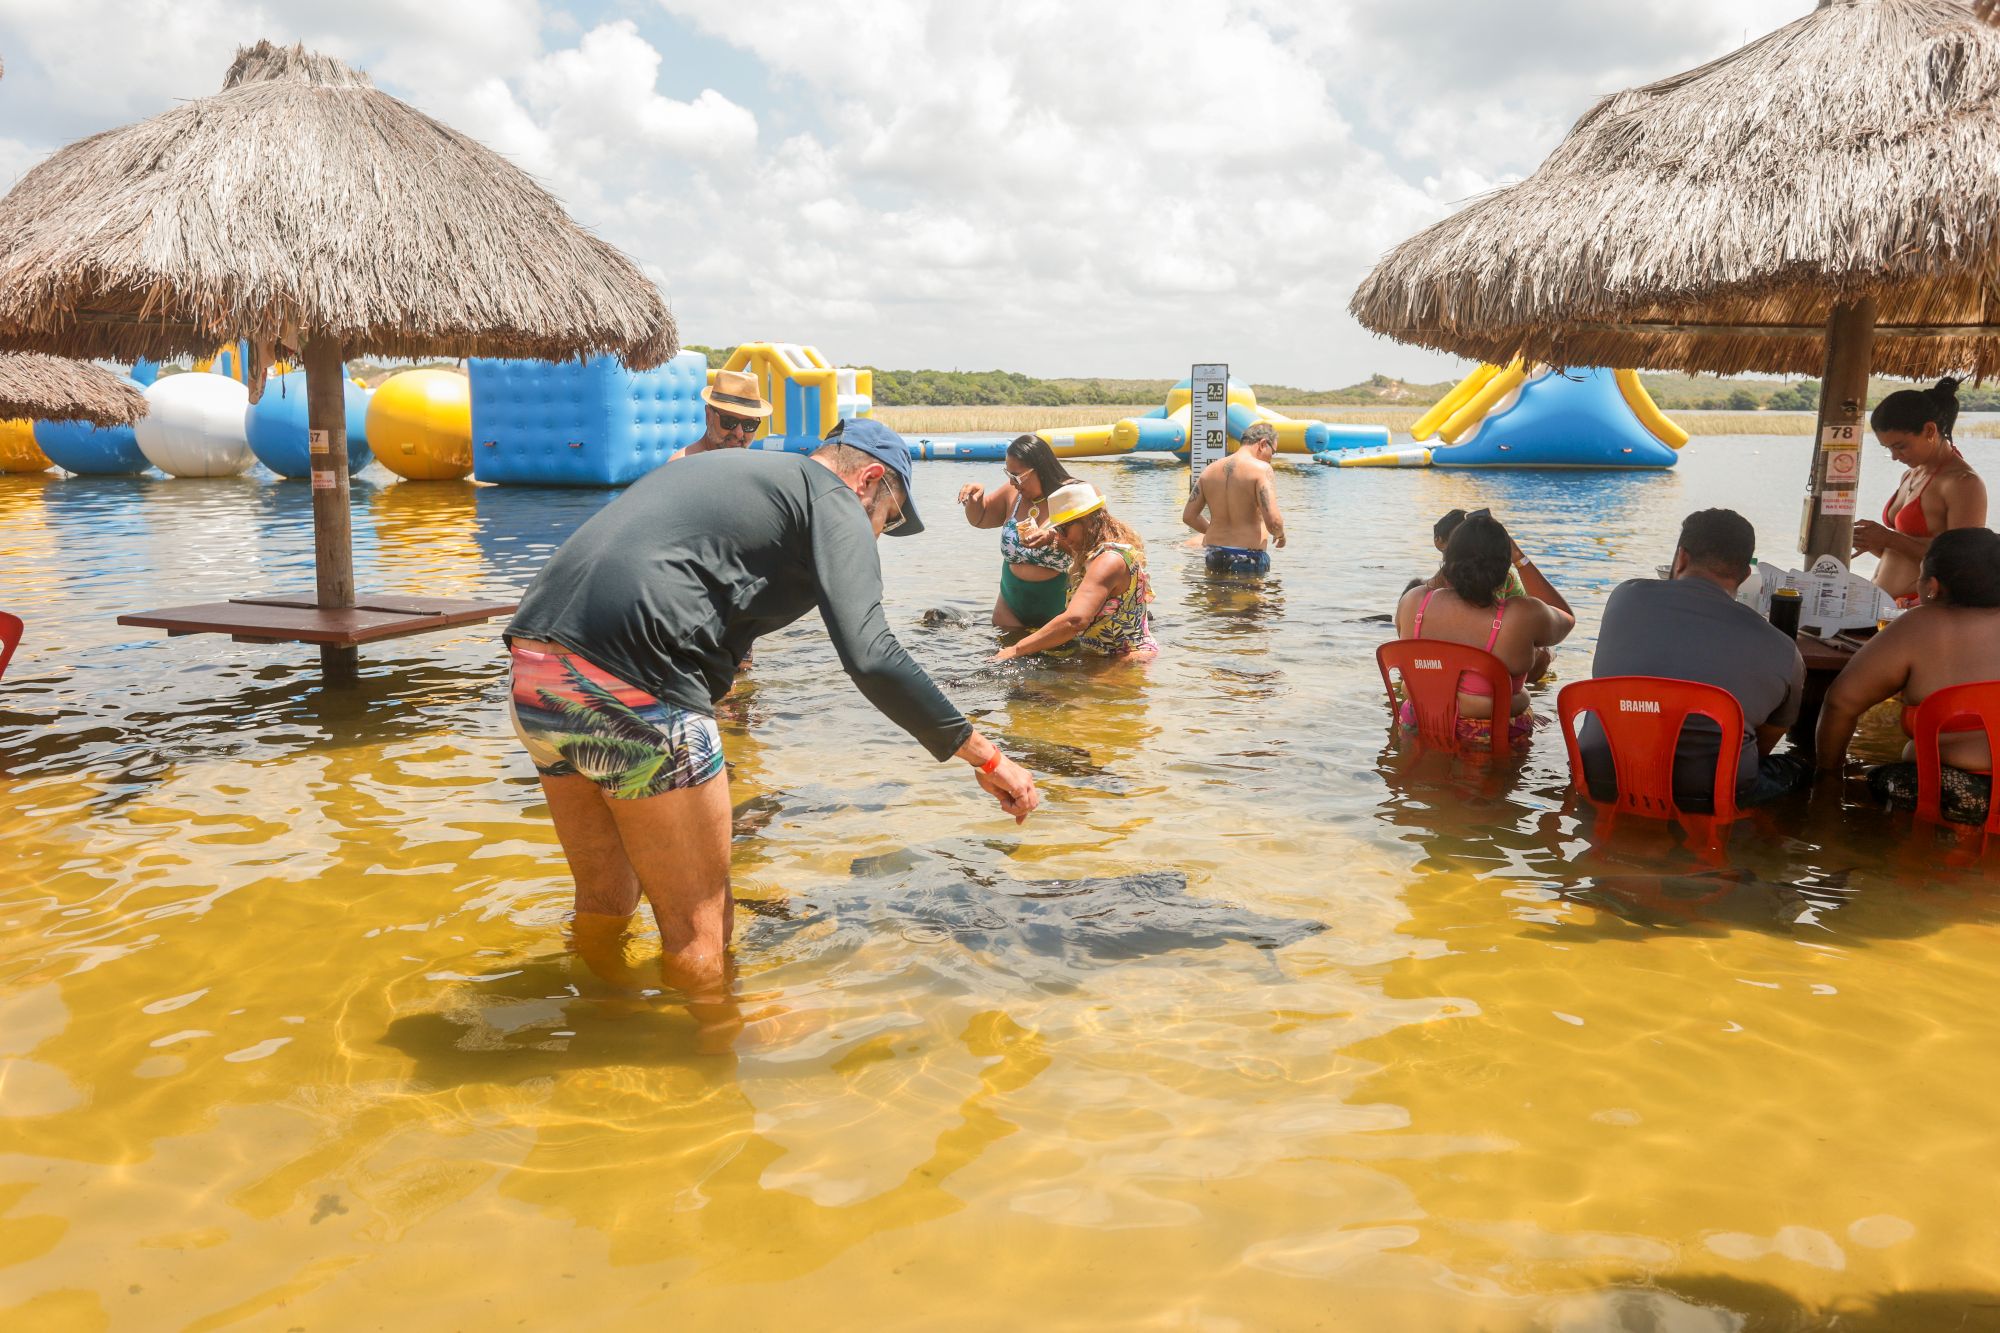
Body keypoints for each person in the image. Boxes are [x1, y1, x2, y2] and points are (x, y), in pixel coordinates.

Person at [504, 417, 1041, 1001]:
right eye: (888, 519)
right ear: (870, 480)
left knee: (604, 900)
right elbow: (872, 655)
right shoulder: (833, 497)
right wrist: (988, 759)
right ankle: (719, 1049)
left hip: (535, 671)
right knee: (701, 928)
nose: (879, 534)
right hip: (636, 685)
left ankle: (601, 1023)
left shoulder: (730, 470)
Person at [1580, 509, 1810, 811]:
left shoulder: (1624, 597)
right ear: (1745, 576)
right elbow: (1768, 739)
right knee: (1798, 767)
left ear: (1681, 558)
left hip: (1602, 775)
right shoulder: (1783, 649)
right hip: (1707, 795)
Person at [1814, 527, 2000, 824]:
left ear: (1933, 586)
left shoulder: (1921, 624)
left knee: (1856, 786)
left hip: (1952, 792)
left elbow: (1840, 702)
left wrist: (1829, 775)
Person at [1391, 509, 1574, 745]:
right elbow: (1566, 617)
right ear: (1504, 568)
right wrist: (1520, 558)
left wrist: (1456, 558)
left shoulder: (1413, 602)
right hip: (1488, 736)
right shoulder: (1521, 615)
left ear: (1448, 558)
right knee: (1549, 720)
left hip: (1419, 723)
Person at [1851, 377, 1987, 606]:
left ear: (1930, 430)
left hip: (1918, 610)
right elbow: (1907, 557)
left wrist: (1889, 538)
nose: (1894, 457)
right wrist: (1875, 543)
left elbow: (1962, 563)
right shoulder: (1910, 474)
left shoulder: (1963, 483)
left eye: (1900, 446)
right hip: (1886, 607)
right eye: (1888, 448)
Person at [993, 481, 1156, 661]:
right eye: (1057, 529)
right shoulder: (1096, 553)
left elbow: (1075, 620)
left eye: (1063, 528)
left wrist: (1016, 649)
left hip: (1126, 660)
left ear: (1089, 520)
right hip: (1102, 656)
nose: (1061, 537)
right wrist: (1050, 539)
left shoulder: (1108, 561)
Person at [955, 434, 1077, 628]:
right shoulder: (1012, 492)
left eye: (1017, 476)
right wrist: (974, 499)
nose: (1012, 482)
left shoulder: (1075, 494)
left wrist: (1053, 539)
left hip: (1061, 611)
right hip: (1009, 610)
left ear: (1041, 469)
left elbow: (1095, 550)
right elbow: (980, 519)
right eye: (1008, 475)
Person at [1182, 422, 1285, 573]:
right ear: (1263, 444)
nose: (1271, 459)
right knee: (1253, 590)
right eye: (1273, 452)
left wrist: (1217, 530)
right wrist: (1280, 535)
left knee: (1214, 589)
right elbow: (1274, 522)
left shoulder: (1209, 470)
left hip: (1215, 555)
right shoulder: (1261, 469)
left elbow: (1189, 516)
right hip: (1248, 555)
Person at [668, 368, 773, 461]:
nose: (739, 433)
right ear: (709, 416)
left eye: (749, 424)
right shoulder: (683, 466)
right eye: (729, 422)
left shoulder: (752, 465)